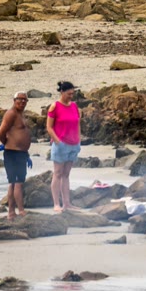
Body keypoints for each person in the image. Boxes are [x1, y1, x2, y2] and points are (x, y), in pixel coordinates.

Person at [0, 89, 33, 218]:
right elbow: (0, 132)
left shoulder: (21, 114)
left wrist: (26, 154)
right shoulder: (11, 114)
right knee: (17, 183)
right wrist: (7, 144)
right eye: (19, 99)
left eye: (24, 99)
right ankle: (19, 210)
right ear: (14, 100)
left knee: (15, 182)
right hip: (13, 153)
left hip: (21, 153)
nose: (22, 102)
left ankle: (11, 212)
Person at [46, 81, 82, 213]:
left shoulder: (74, 106)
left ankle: (67, 203)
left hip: (74, 144)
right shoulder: (54, 106)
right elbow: (49, 127)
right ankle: (56, 204)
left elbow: (78, 123)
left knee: (66, 174)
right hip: (60, 144)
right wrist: (57, 141)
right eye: (69, 94)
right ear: (62, 92)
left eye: (72, 94)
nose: (71, 96)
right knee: (58, 173)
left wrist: (79, 140)